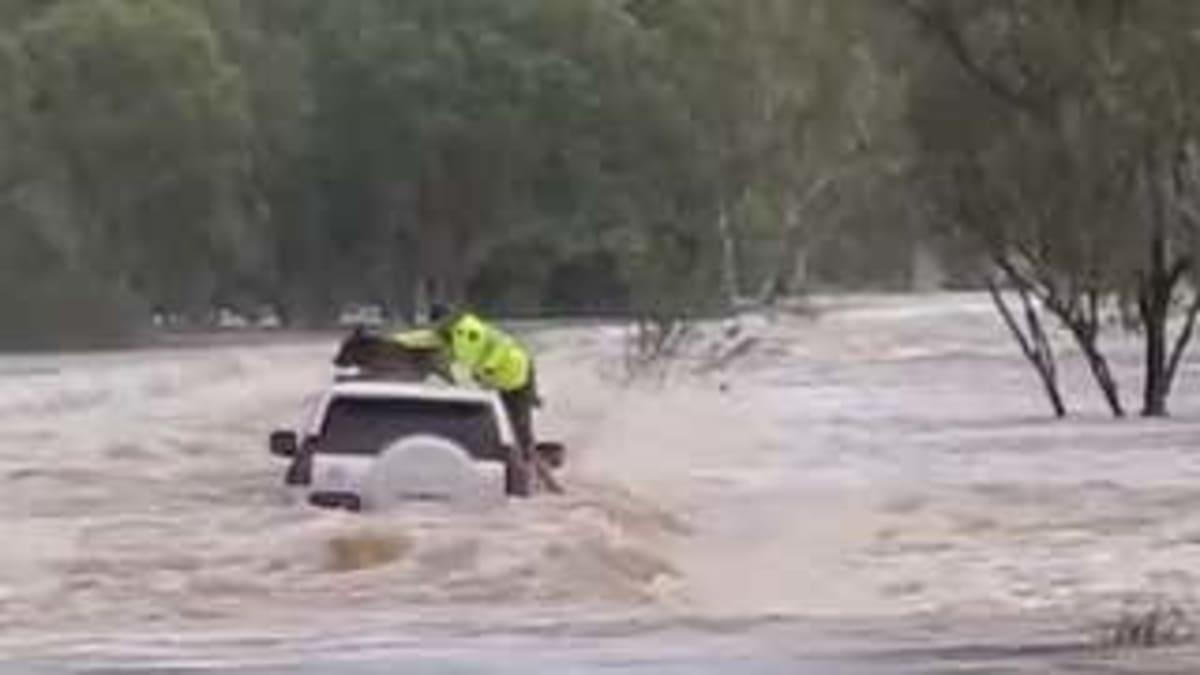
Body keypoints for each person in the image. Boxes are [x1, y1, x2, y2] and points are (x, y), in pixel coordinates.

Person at [391, 303, 540, 452]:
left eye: (437, 323)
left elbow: (503, 343)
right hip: (498, 380)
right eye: (434, 324)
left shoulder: (469, 330)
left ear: (447, 319)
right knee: (502, 420)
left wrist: (489, 366)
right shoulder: (446, 332)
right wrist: (393, 340)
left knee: (519, 423)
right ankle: (522, 449)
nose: (435, 327)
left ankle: (529, 456)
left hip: (514, 374)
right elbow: (422, 337)